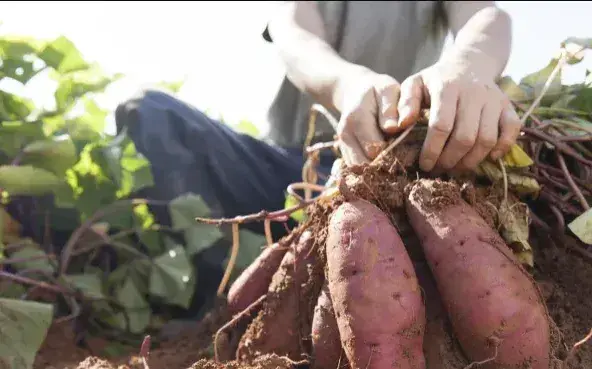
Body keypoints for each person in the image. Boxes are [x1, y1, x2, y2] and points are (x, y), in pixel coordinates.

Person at [115, 0, 520, 315]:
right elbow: (293, 32)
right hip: (291, 170)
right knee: (149, 112)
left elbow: (485, 16)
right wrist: (349, 85)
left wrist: (468, 68)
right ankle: (222, 303)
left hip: (389, 169)